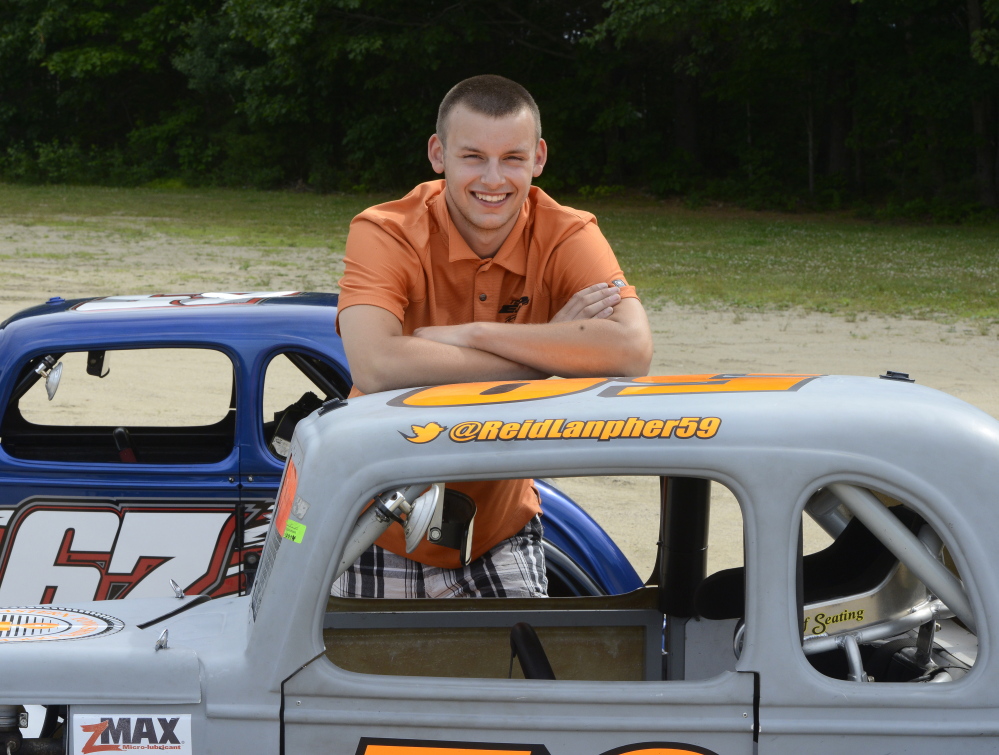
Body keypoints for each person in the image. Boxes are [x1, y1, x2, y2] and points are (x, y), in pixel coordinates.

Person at [333, 74, 653, 599]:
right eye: (473, 157)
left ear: (539, 158)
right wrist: (549, 349)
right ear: (438, 154)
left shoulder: (568, 231)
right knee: (355, 680)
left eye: (512, 158)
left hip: (497, 529)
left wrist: (474, 333)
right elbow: (375, 365)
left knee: (523, 679)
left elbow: (631, 351)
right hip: (374, 522)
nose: (493, 178)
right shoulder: (384, 229)